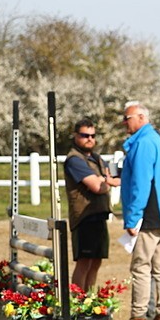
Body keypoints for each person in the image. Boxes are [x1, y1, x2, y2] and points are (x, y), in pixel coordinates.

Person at [119, 102, 160, 320]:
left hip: (148, 214)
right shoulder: (156, 140)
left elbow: (140, 184)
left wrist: (133, 217)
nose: (125, 122)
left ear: (141, 117)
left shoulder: (142, 143)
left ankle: (138, 317)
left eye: (128, 118)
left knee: (141, 266)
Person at [63, 118, 120, 291]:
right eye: (84, 135)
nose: (90, 139)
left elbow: (107, 181)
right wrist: (108, 181)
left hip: (99, 215)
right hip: (84, 218)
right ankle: (77, 302)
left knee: (96, 262)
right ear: (75, 135)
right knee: (84, 262)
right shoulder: (74, 160)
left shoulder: (96, 158)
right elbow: (97, 187)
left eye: (93, 135)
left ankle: (89, 301)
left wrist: (106, 180)